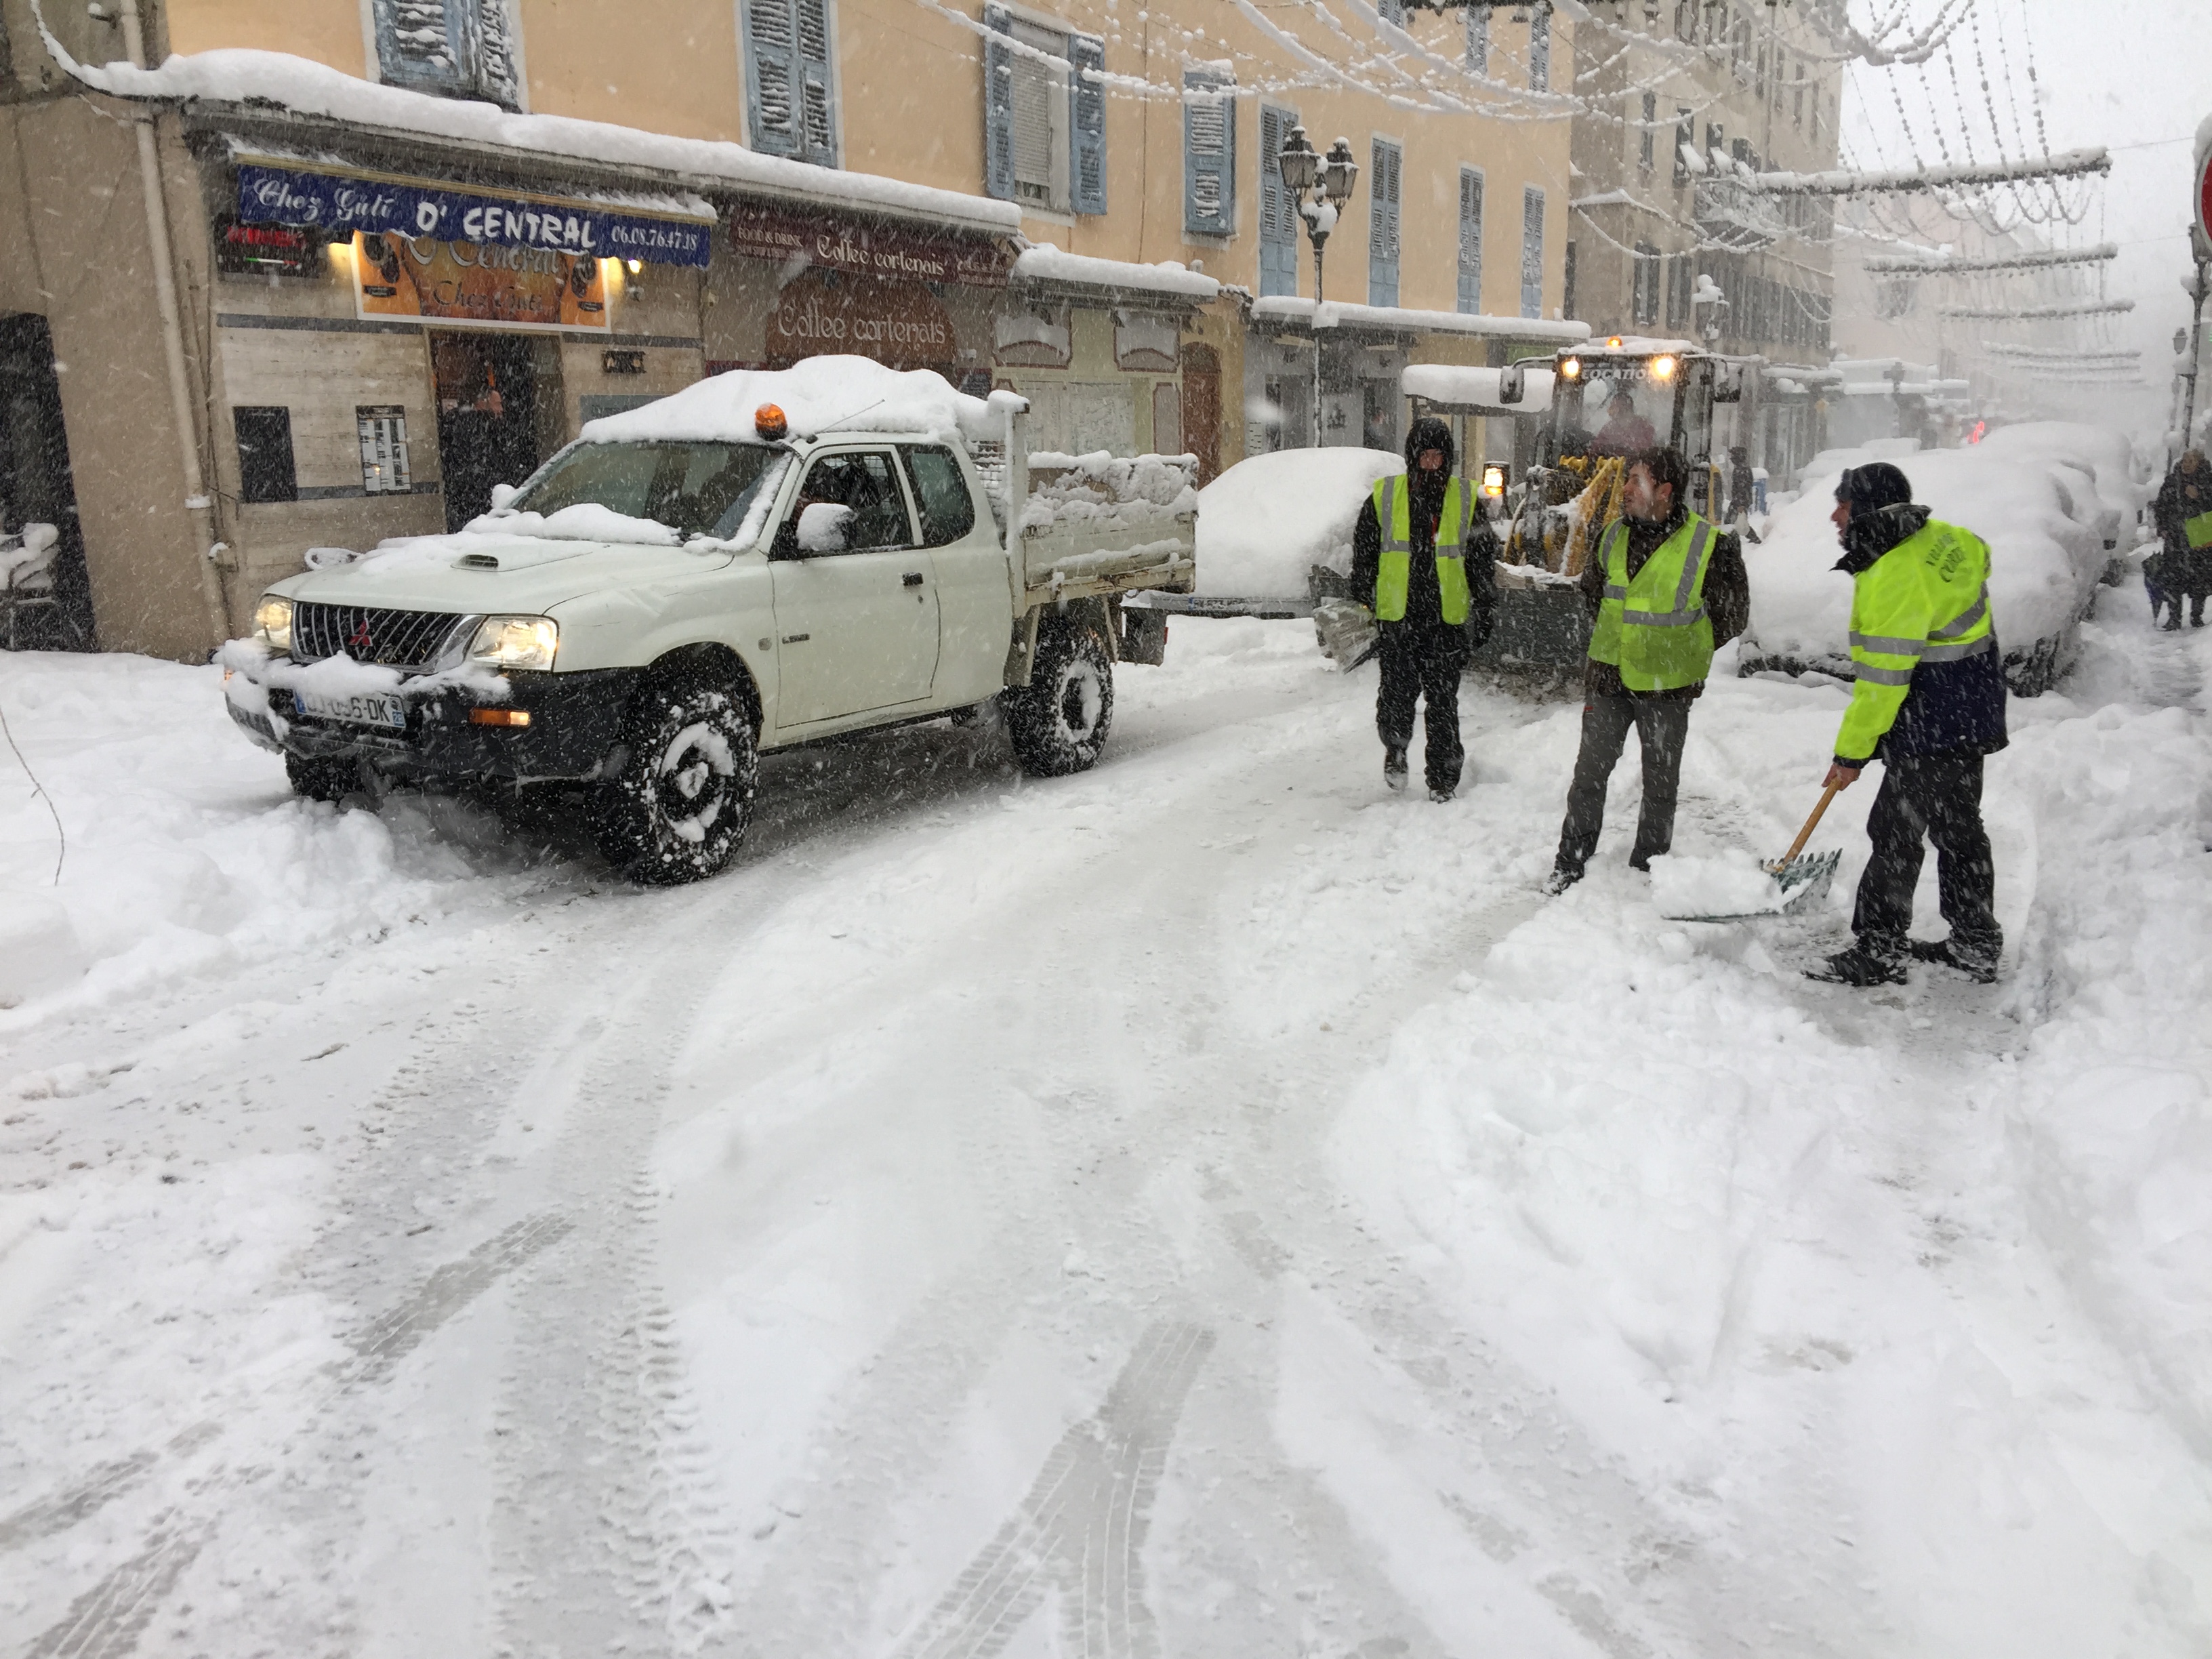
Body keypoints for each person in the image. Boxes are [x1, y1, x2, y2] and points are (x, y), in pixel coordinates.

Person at [1807, 462, 2007, 987]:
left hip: (1933, 718)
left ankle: (1880, 949)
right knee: (1958, 826)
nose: (1835, 516)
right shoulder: (1946, 537)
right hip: (1972, 707)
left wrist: (1851, 753)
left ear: (1869, 510)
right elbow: (1982, 554)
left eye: (1843, 505)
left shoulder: (1895, 575)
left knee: (1895, 832)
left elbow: (1882, 683)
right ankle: (1975, 941)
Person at [1544, 447, 1748, 890]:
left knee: (1660, 784)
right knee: (1589, 775)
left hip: (1668, 684)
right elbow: (1593, 592)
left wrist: (1684, 649)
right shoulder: (1610, 536)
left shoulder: (1710, 545)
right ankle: (1571, 861)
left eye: (1637, 480)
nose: (1626, 489)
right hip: (1609, 675)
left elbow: (1732, 614)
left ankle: (1648, 866)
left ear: (1666, 491)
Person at [1349, 416, 1500, 802]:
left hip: (1446, 622)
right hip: (1398, 618)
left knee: (1443, 703)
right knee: (1396, 696)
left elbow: (1481, 559)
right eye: (1424, 456)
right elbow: (1365, 550)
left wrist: (1484, 606)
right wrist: (1363, 591)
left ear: (1448, 458)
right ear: (1411, 457)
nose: (1431, 464)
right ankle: (1396, 750)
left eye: (1438, 456)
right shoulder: (1385, 496)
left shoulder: (1466, 499)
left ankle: (1444, 780)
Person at [2151, 449, 2212, 630]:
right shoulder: (2173, 481)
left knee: (2199, 578)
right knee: (2173, 577)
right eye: (2185, 460)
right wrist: (2163, 527)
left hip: (2200, 534)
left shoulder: (2208, 481)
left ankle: (2196, 616)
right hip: (2176, 535)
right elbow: (2161, 505)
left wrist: (2200, 496)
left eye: (2191, 461)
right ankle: (2174, 618)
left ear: (2199, 464)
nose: (2186, 464)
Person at [1590, 392, 1659, 457]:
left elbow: (1647, 451)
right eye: (1611, 406)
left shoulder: (1644, 426)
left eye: (1614, 406)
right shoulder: (1609, 428)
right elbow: (1596, 447)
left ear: (1625, 408)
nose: (1610, 410)